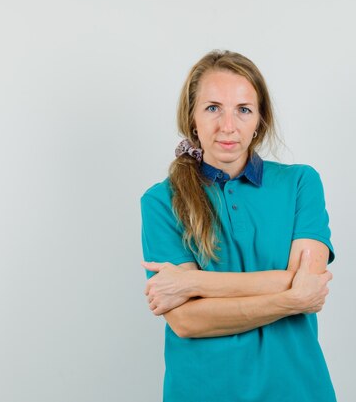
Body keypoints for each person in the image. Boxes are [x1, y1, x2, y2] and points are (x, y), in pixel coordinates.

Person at [140, 50, 337, 402]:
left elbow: (312, 281)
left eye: (243, 110)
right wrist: (292, 296)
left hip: (297, 389)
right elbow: (187, 321)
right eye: (213, 108)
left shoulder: (301, 183)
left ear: (260, 119)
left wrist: (194, 282)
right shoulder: (160, 201)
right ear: (193, 118)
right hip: (203, 392)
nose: (228, 126)